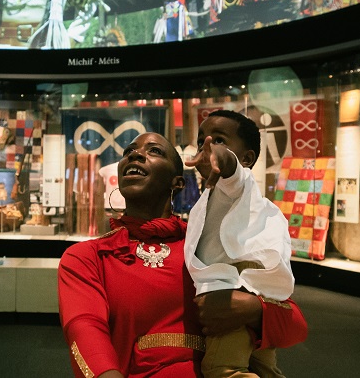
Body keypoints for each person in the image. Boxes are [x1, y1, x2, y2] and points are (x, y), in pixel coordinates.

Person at [58, 132, 307, 378]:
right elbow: (84, 328)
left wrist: (254, 310)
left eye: (154, 151)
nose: (135, 154)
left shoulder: (210, 245)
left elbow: (295, 326)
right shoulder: (87, 257)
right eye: (128, 152)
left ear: (177, 182)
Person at [184, 110, 295, 377]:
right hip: (257, 293)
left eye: (218, 140)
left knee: (221, 369)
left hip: (229, 292)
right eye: (201, 142)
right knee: (265, 368)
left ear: (246, 158)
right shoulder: (240, 201)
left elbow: (232, 171)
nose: (206, 147)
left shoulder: (233, 185)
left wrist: (222, 158)